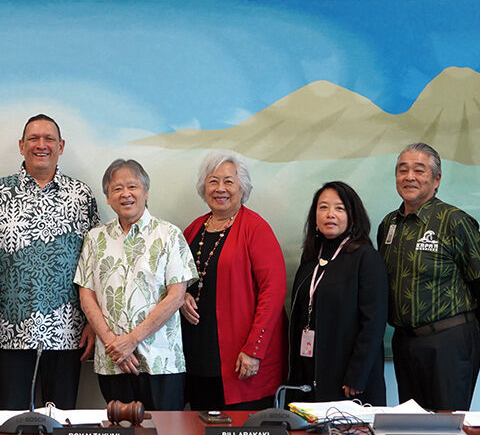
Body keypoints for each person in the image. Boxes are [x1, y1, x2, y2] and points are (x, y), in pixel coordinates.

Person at [0, 114, 100, 410]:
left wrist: (91, 321)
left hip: (67, 331)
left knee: (60, 425)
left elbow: (94, 262)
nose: (41, 145)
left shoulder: (81, 195)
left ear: (61, 146)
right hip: (10, 331)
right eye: (33, 139)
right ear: (21, 146)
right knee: (10, 424)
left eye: (49, 139)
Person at [377, 143, 480, 411]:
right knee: (412, 427)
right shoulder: (388, 224)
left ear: (436, 178)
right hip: (404, 342)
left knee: (447, 428)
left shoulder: (454, 221)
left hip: (449, 341)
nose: (409, 177)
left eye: (419, 170)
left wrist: (468, 333)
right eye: (402, 170)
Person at [75, 159, 197, 410]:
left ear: (146, 192)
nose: (125, 194)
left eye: (133, 186)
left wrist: (131, 340)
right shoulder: (95, 238)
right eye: (117, 188)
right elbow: (86, 295)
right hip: (113, 362)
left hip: (161, 361)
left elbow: (176, 296)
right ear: (108, 198)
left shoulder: (169, 235)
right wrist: (114, 345)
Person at [179, 151, 286, 411]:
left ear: (242, 187)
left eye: (228, 181)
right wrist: (182, 297)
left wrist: (254, 350)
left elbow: (274, 293)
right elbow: (175, 280)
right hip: (197, 359)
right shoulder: (194, 229)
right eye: (213, 181)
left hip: (241, 361)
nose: (220, 189)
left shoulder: (256, 228)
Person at [288, 181, 388, 405]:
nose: (330, 214)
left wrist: (357, 375)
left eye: (339, 208)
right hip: (310, 372)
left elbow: (374, 324)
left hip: (349, 381)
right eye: (323, 207)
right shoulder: (310, 257)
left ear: (353, 216)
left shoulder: (366, 258)